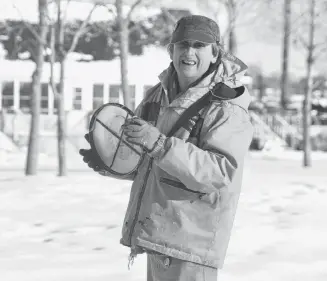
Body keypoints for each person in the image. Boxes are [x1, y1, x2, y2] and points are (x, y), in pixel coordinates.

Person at [80, 15, 253, 281]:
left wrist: (159, 144)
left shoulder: (225, 106)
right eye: (182, 44)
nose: (189, 52)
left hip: (192, 246)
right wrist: (111, 162)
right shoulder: (156, 96)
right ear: (171, 50)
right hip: (159, 238)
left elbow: (219, 172)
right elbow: (145, 162)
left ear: (215, 52)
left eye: (199, 45)